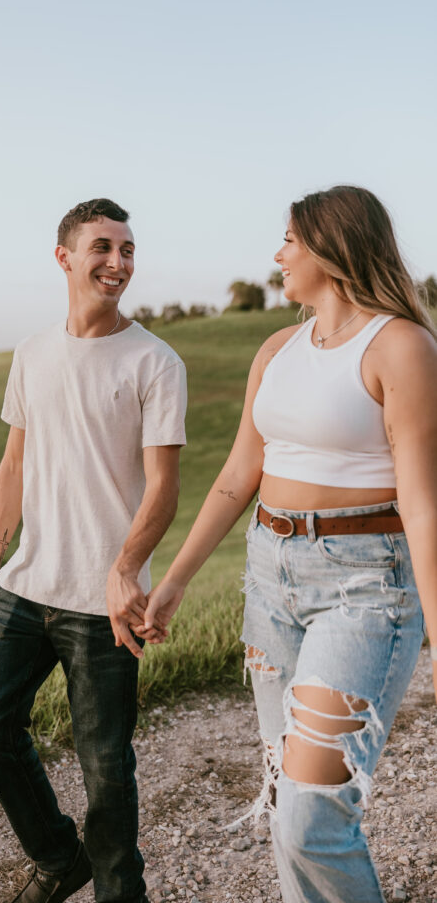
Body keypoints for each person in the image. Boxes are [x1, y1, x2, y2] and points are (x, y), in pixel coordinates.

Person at [141, 186, 437, 903]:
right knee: (284, 797)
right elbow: (238, 474)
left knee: (310, 816)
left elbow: (423, 501)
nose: (277, 255)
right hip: (270, 574)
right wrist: (175, 580)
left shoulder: (399, 345)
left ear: (332, 248)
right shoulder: (276, 347)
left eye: (289, 241)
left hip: (365, 584)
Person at [0, 197, 187, 903]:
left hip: (104, 608)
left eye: (126, 250)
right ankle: (59, 859)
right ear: (64, 258)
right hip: (23, 590)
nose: (117, 263)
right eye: (101, 248)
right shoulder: (32, 353)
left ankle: (120, 894)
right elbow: (12, 467)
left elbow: (164, 488)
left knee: (105, 772)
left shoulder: (155, 361)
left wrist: (124, 570)